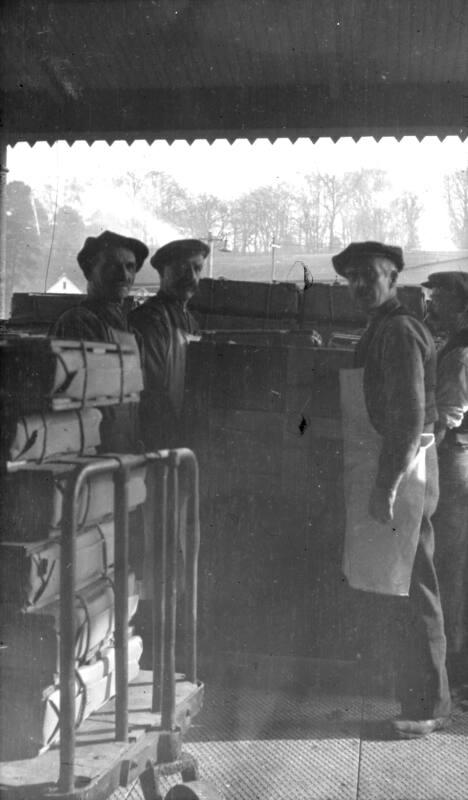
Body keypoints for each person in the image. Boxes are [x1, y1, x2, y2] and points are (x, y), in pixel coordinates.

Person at [333, 241, 451, 738]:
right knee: (397, 586)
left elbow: (407, 419)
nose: (362, 285)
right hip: (389, 471)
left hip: (400, 476)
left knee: (412, 587)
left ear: (395, 276)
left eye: (372, 275)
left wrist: (386, 487)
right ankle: (417, 697)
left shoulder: (399, 331)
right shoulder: (379, 328)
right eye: (353, 277)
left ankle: (428, 708)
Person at [51, 229, 149, 452]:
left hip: (124, 454)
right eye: (112, 266)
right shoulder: (78, 323)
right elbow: (71, 405)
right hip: (89, 459)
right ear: (90, 271)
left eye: (130, 267)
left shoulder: (132, 334)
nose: (124, 275)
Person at [422, 271, 468, 697]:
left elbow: (449, 414)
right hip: (456, 455)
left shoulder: (461, 352)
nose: (431, 305)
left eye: (439, 300)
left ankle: (453, 668)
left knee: (450, 564)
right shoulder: (452, 345)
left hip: (454, 459)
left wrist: (416, 453)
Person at [129, 238, 210, 449]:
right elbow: (152, 390)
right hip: (158, 437)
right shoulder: (149, 318)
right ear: (163, 272)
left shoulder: (191, 322)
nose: (191, 277)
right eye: (182, 269)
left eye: (197, 269)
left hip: (182, 434)